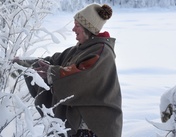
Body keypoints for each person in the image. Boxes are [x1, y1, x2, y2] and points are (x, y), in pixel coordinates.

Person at [13, 3, 122, 137]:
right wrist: (21, 64)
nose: (73, 29)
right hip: (78, 128)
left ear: (88, 29)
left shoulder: (101, 53)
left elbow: (79, 78)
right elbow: (51, 62)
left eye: (77, 26)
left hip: (93, 129)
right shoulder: (79, 50)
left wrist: (51, 73)